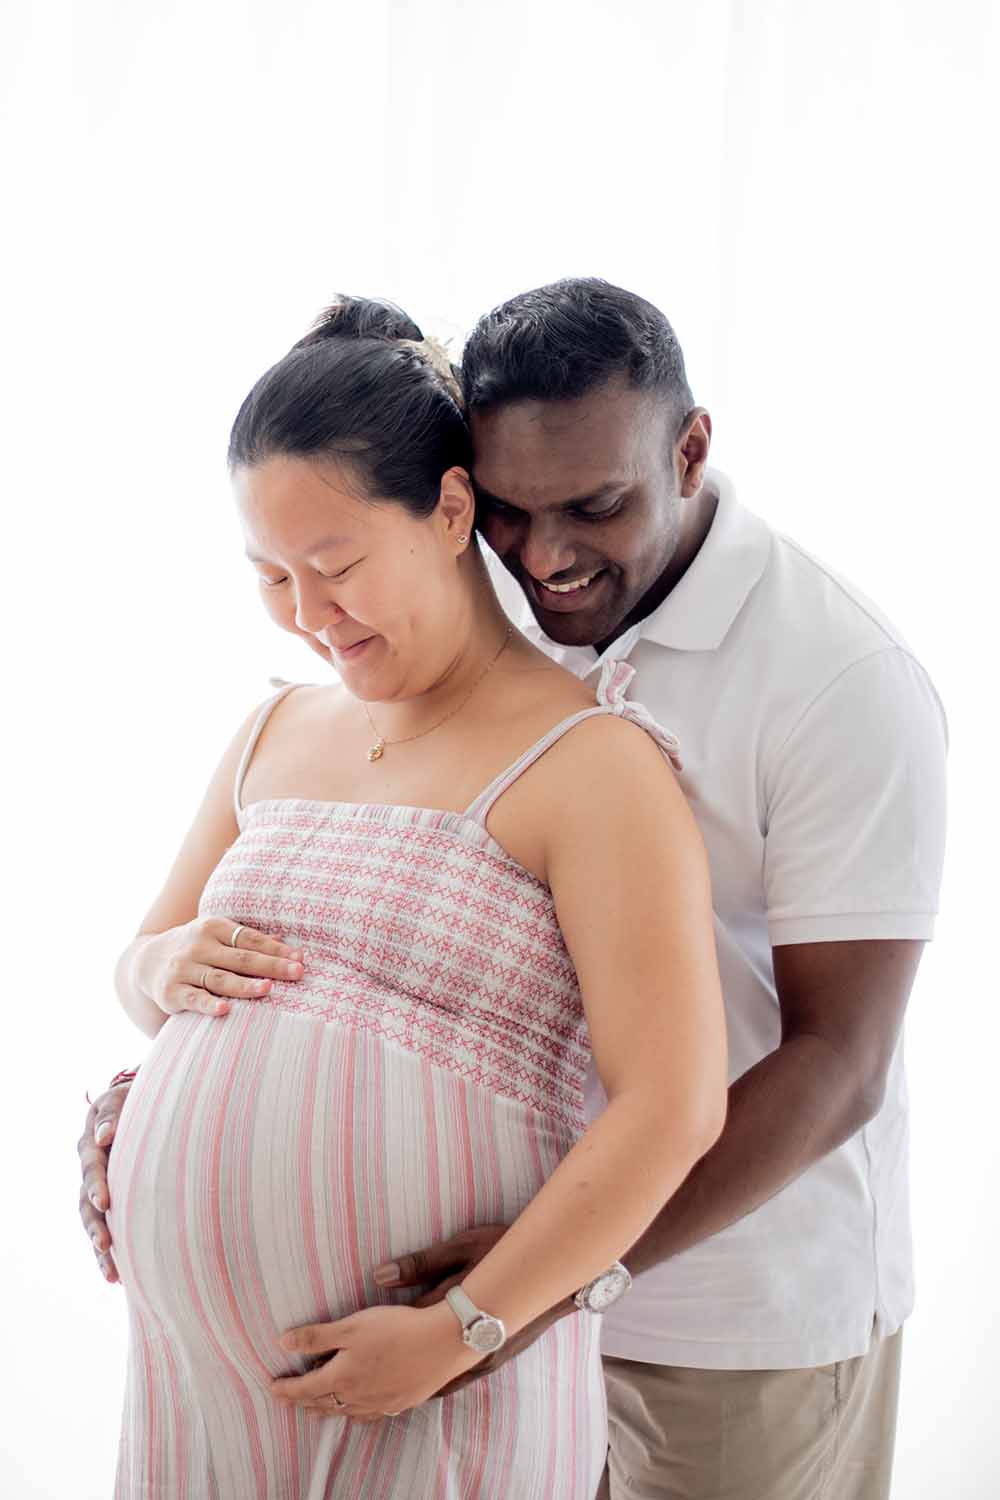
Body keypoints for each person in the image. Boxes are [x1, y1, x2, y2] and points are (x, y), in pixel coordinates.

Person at [80, 276, 948, 1499]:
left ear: (690, 450)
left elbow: (838, 1063)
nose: (544, 557)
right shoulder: (489, 613)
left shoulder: (836, 679)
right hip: (474, 1294)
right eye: (509, 514)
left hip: (734, 1302)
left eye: (592, 507)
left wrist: (512, 1302)